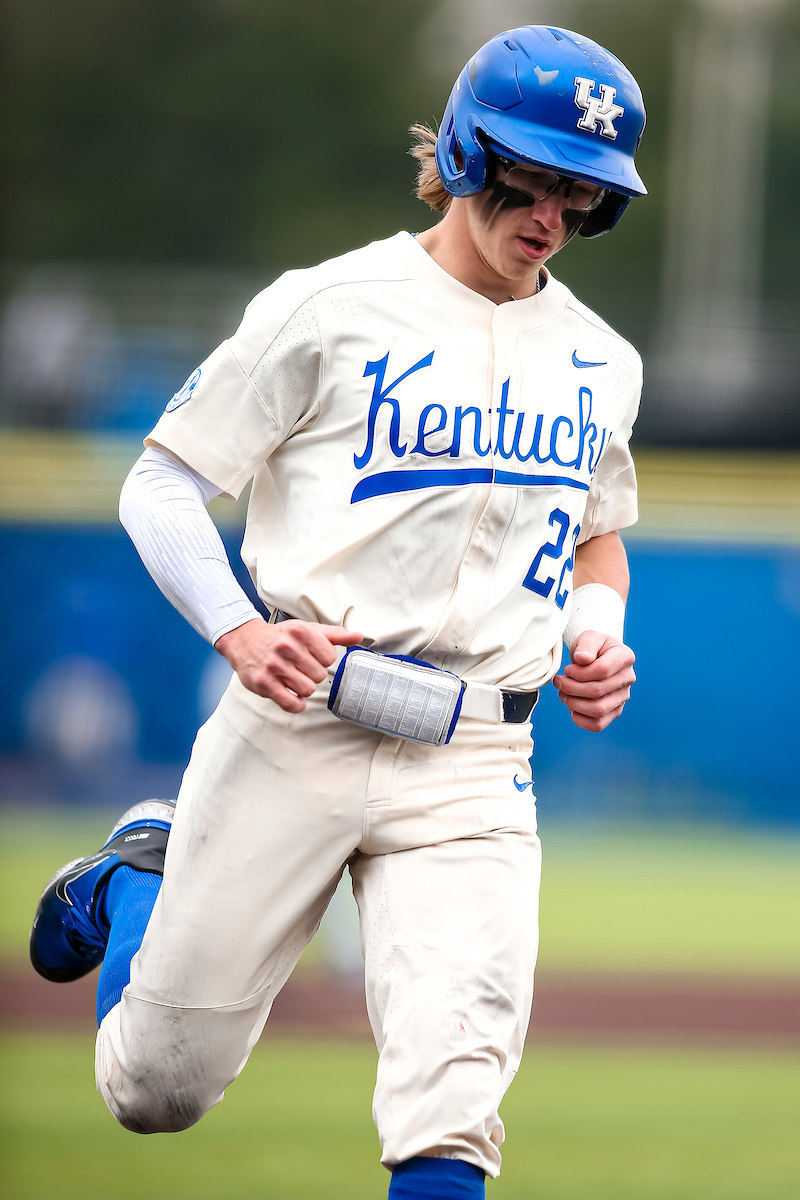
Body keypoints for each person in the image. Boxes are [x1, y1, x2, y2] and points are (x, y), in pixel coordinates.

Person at [30, 25, 645, 1199]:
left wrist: (596, 634)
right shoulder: (328, 306)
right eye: (530, 180)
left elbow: (595, 531)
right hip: (300, 719)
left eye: (581, 195)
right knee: (154, 1090)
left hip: (474, 757)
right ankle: (131, 880)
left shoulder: (598, 359)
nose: (550, 215)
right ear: (463, 155)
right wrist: (239, 629)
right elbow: (161, 481)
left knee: (451, 1105)